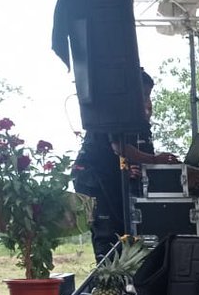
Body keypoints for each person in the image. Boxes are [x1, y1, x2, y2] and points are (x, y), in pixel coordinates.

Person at [73, 69, 177, 262]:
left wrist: (131, 168)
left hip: (111, 176)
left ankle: (125, 280)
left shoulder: (134, 119)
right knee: (106, 231)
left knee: (123, 230)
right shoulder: (112, 109)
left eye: (149, 95)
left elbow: (130, 151)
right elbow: (119, 147)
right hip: (93, 178)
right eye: (144, 95)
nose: (147, 100)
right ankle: (107, 280)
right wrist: (155, 160)